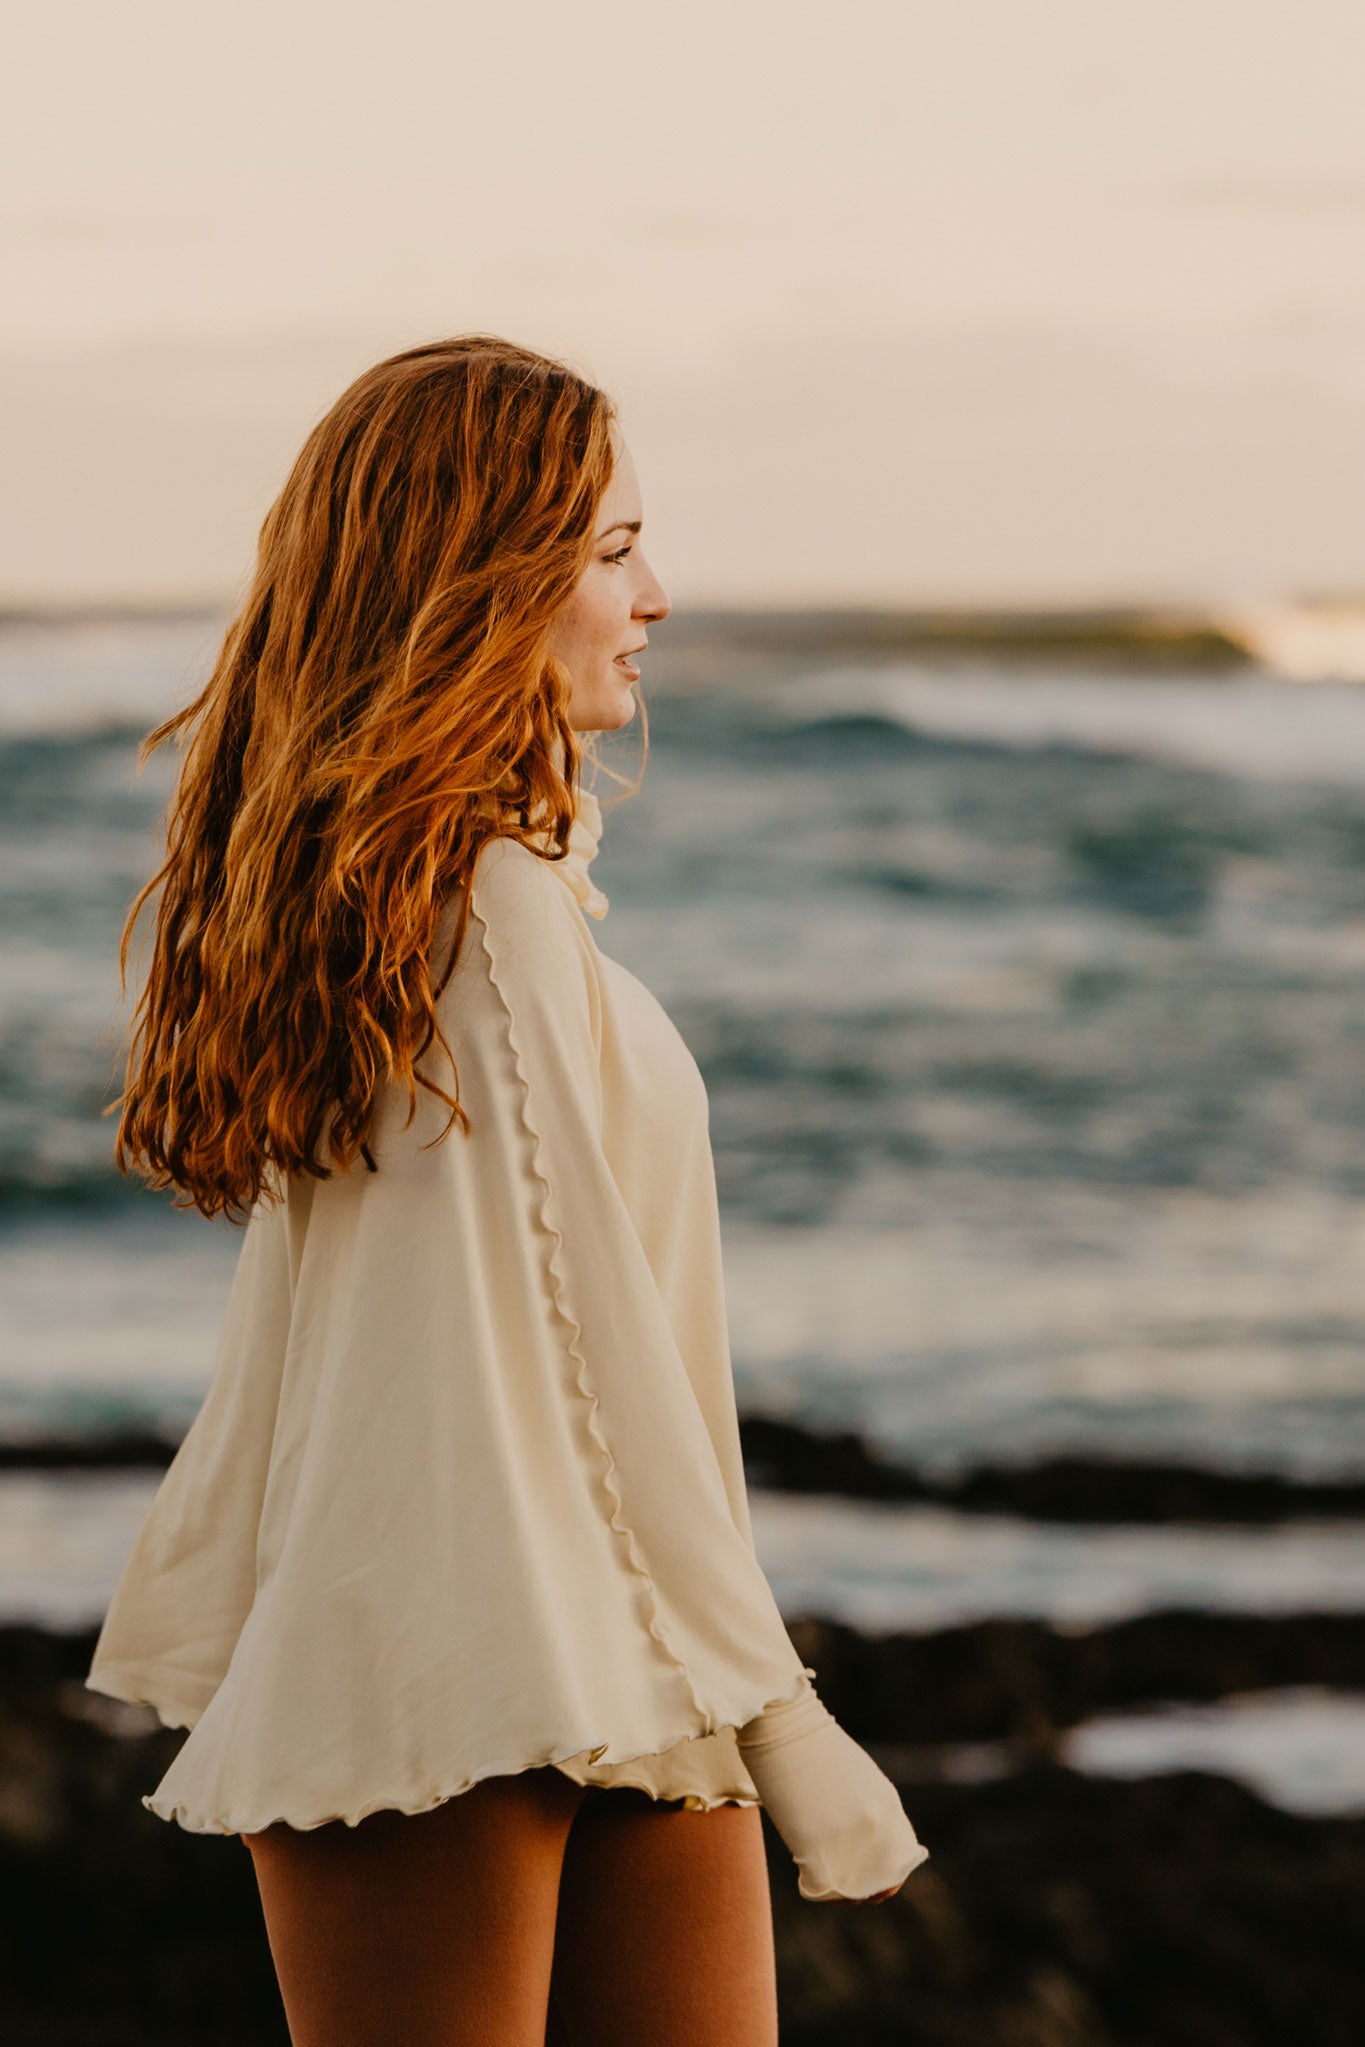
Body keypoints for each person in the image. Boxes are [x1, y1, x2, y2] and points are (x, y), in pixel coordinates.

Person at [86, 335, 928, 2044]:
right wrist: (781, 1710)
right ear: (481, 582)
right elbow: (588, 1334)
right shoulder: (473, 905)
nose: (656, 597)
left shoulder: (426, 898)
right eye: (613, 550)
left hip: (615, 1642)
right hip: (458, 1654)